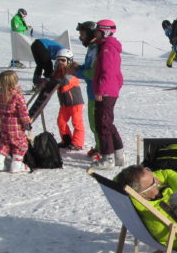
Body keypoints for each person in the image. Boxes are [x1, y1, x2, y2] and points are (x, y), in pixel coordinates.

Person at [90, 19, 125, 171]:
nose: (95, 34)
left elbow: (108, 71)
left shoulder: (107, 48)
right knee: (107, 122)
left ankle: (108, 158)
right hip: (110, 90)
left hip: (106, 92)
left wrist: (101, 90)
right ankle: (118, 155)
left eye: (97, 31)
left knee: (102, 124)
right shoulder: (107, 46)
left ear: (104, 32)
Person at [0, 71, 32, 173]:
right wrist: (27, 123)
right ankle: (16, 166)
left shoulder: (0, 95)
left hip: (4, 124)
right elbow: (23, 111)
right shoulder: (17, 95)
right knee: (19, 144)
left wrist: (2, 119)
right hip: (15, 125)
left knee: (5, 143)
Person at [73, 21, 101, 159]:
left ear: (90, 34)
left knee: (97, 123)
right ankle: (99, 146)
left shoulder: (96, 49)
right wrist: (78, 67)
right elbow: (88, 67)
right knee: (93, 122)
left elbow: (93, 73)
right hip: (91, 92)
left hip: (97, 92)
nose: (80, 37)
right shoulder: (91, 48)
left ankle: (102, 149)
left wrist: (75, 72)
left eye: (82, 34)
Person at [51, 49, 85, 151]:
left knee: (77, 122)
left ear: (69, 61)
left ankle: (77, 143)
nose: (60, 63)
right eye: (58, 60)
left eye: (63, 60)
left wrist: (53, 80)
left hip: (75, 103)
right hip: (64, 104)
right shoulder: (58, 73)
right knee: (61, 121)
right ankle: (67, 140)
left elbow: (64, 84)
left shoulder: (72, 74)